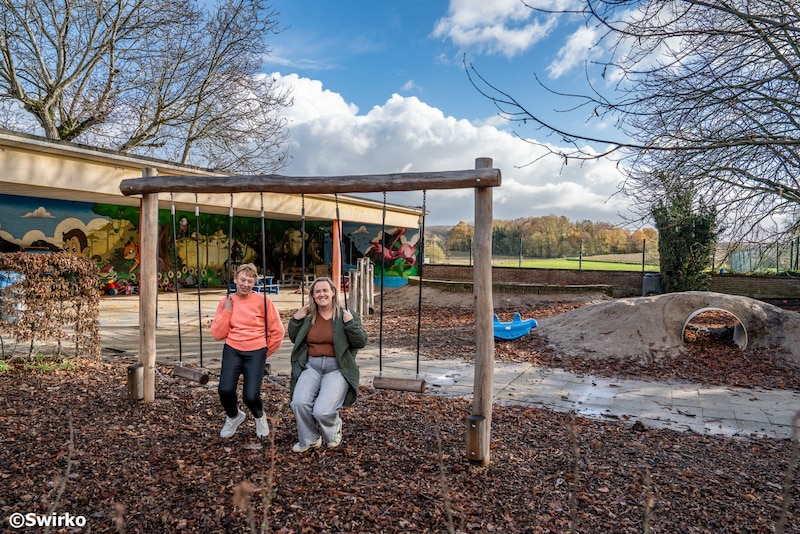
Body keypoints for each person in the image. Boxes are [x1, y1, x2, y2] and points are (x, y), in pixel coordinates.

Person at [288, 277, 367, 452]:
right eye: (317, 291)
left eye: (325, 290)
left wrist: (350, 324)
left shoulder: (346, 314)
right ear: (313, 295)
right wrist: (295, 319)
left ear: (333, 292)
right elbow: (295, 338)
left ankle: (334, 429)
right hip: (312, 366)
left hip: (337, 368)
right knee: (299, 403)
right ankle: (310, 438)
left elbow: (361, 341)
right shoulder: (309, 315)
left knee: (322, 411)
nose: (322, 294)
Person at [211, 263, 284, 439]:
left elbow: (278, 331)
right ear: (235, 279)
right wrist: (228, 311)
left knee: (250, 396)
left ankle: (260, 417)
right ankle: (234, 416)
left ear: (255, 282)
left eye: (250, 281)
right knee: (225, 390)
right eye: (242, 280)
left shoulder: (264, 301)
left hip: (256, 350)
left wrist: (264, 352)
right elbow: (217, 333)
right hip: (233, 349)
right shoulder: (226, 302)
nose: (245, 284)